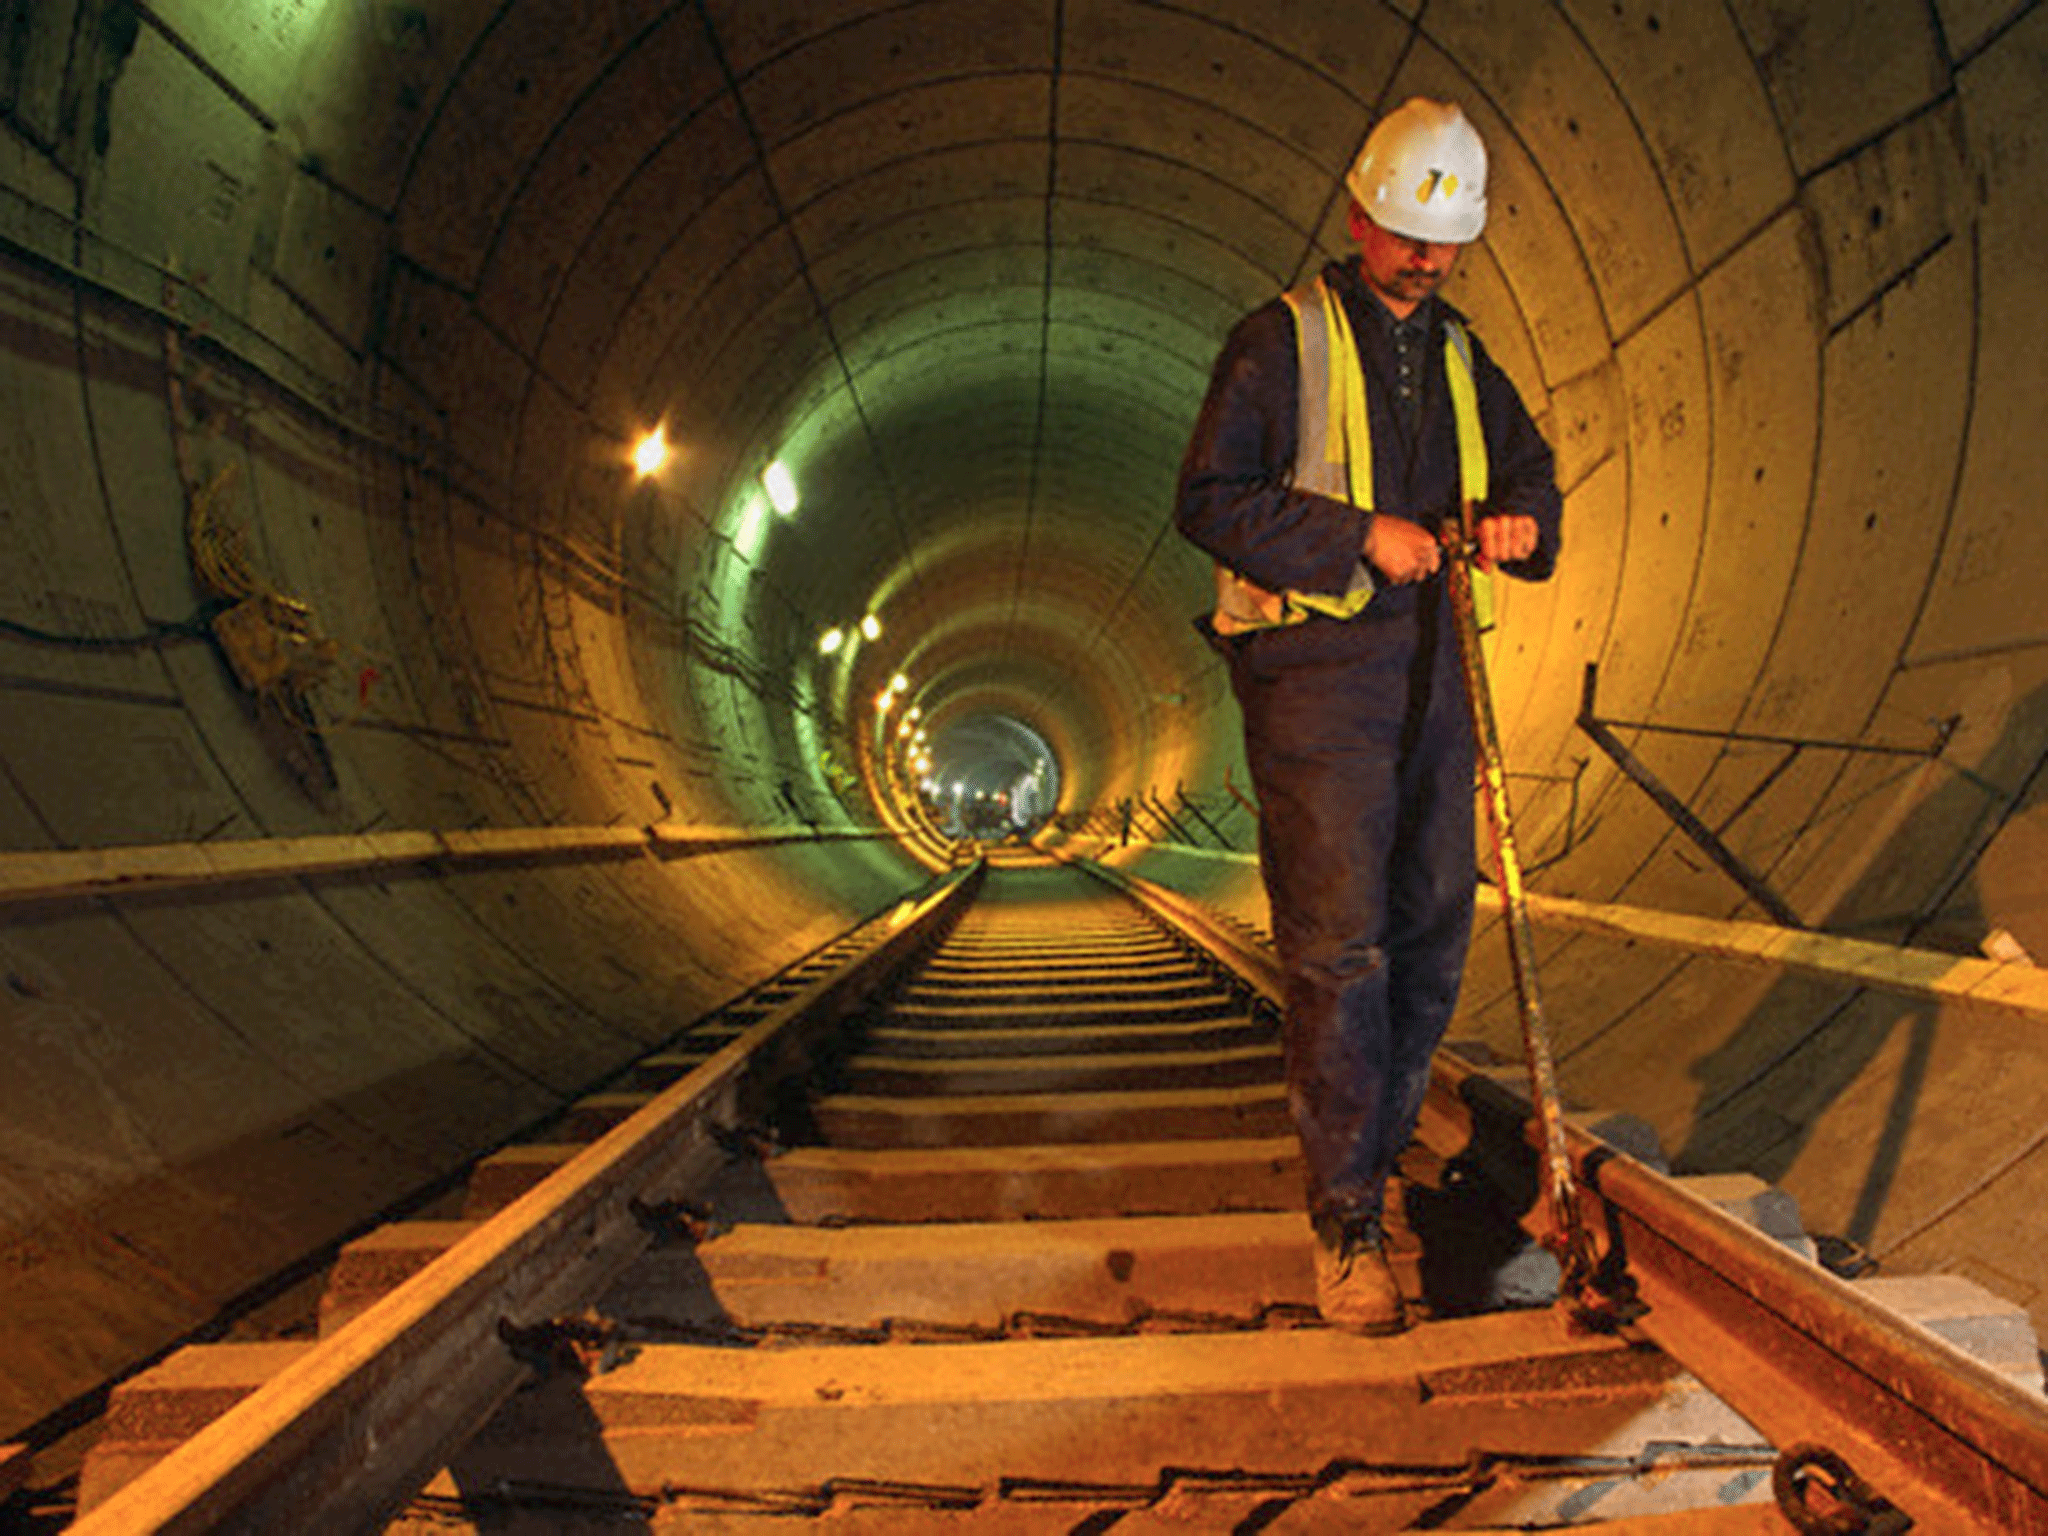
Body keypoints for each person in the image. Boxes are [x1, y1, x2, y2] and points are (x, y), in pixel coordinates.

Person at [1174, 98, 1563, 1335]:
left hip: (1434, 666)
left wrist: (1517, 522)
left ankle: (1375, 1162)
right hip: (1313, 671)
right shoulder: (1277, 341)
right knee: (1340, 945)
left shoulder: (1461, 354)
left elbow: (1530, 475)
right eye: (1403, 233)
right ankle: (1346, 1219)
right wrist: (1355, 537)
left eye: (1443, 242)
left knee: (1434, 925)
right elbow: (1210, 498)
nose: (1423, 257)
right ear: (1358, 216)